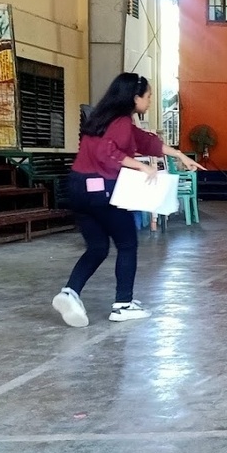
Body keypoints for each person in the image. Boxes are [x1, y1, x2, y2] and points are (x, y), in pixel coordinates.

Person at [51, 73, 202, 327]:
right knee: (127, 242)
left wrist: (178, 154)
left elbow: (144, 141)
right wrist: (141, 167)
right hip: (100, 190)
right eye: (148, 96)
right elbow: (107, 152)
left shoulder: (103, 119)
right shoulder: (120, 122)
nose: (150, 100)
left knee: (98, 247)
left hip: (77, 190)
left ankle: (70, 292)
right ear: (135, 97)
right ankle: (122, 304)